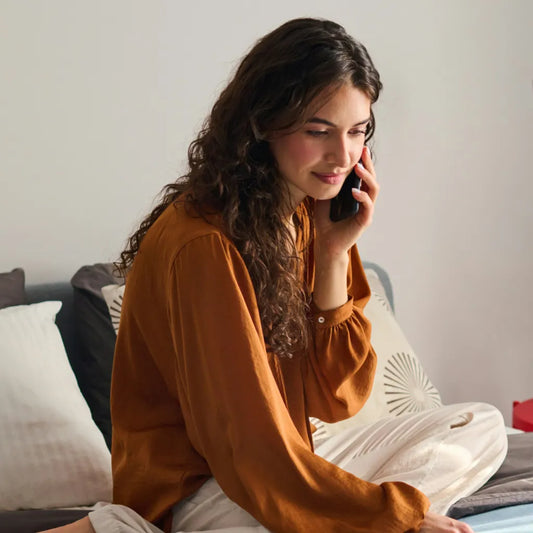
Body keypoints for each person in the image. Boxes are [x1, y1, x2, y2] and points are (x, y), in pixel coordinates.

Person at [43, 17, 507, 533]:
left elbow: (337, 398)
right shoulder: (204, 245)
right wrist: (398, 519)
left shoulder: (311, 211)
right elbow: (251, 449)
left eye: (357, 132)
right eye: (318, 131)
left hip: (292, 452)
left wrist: (333, 255)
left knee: (482, 427)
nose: (342, 156)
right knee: (300, 514)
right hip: (203, 488)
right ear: (263, 124)